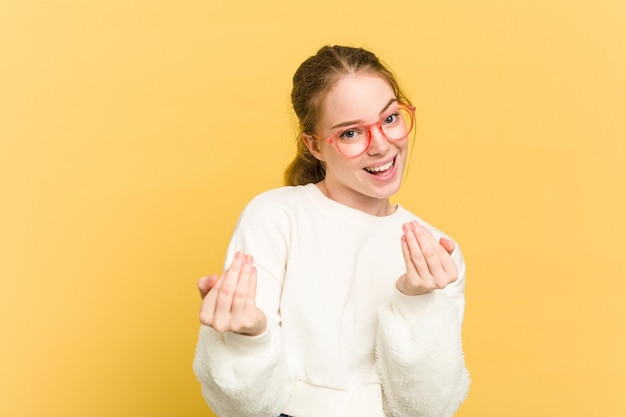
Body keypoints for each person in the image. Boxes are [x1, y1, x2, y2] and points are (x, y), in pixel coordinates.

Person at [193, 45, 470, 417]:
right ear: (314, 146)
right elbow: (244, 407)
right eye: (351, 133)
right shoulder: (276, 217)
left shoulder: (436, 254)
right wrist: (248, 338)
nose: (382, 145)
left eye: (390, 118)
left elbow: (426, 409)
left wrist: (416, 301)